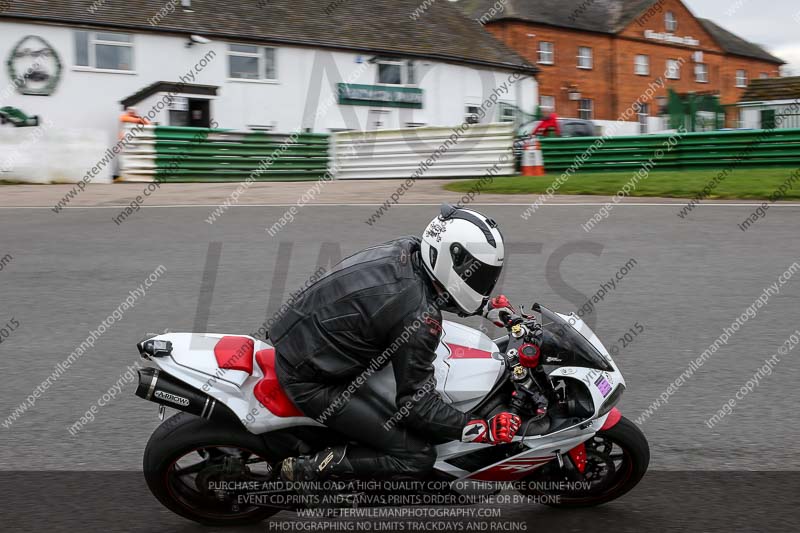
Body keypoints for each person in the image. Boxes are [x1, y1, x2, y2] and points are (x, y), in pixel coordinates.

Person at [270, 204, 521, 481]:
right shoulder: (420, 318)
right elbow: (416, 406)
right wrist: (479, 428)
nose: (483, 281)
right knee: (417, 456)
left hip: (307, 337)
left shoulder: (409, 249)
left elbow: (433, 289)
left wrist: (483, 307)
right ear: (453, 259)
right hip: (313, 380)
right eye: (478, 274)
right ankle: (308, 471)